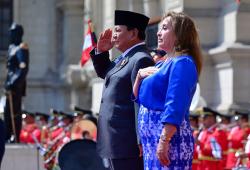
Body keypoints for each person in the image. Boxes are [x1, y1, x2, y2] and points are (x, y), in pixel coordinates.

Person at [133, 11, 202, 169]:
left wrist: (164, 140)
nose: (158, 32)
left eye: (164, 28)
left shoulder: (183, 63)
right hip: (152, 141)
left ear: (179, 34)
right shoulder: (161, 64)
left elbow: (175, 104)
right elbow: (138, 99)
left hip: (169, 140)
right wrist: (138, 77)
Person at [90, 10, 155, 170]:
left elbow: (141, 103)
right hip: (115, 141)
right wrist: (102, 52)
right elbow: (107, 73)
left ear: (133, 33)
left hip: (127, 143)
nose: (114, 36)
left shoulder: (141, 59)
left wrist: (141, 139)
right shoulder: (126, 58)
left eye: (118, 31)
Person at [4, 23, 29, 143]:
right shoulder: (11, 48)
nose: (11, 35)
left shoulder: (21, 47)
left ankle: (15, 135)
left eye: (13, 32)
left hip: (16, 86)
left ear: (19, 34)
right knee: (7, 111)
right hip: (9, 85)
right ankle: (8, 134)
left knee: (15, 112)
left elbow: (23, 68)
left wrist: (13, 83)